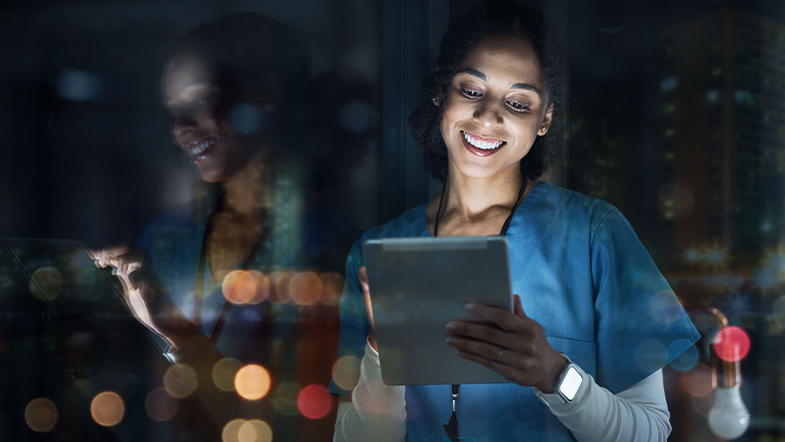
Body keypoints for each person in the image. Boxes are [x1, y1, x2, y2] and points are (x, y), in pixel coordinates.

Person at [329, 1, 700, 441]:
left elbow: (652, 433)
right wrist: (379, 349)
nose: (488, 116)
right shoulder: (376, 254)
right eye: (471, 91)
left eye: (519, 102)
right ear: (440, 93)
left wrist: (554, 374)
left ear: (545, 119)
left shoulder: (595, 235)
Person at [93, 13, 361, 442]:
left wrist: (177, 332)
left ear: (264, 97)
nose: (181, 129)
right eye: (173, 111)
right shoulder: (163, 241)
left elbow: (296, 423)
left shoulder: (336, 252)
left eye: (200, 102)